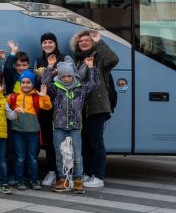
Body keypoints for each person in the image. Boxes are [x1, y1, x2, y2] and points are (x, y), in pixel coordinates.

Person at [42, 55, 99, 193]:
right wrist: (50, 67)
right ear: (59, 77)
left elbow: (94, 83)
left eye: (69, 76)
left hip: (75, 127)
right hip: (59, 127)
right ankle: (63, 179)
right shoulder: (55, 88)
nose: (66, 79)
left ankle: (78, 179)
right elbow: (45, 83)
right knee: (59, 154)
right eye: (63, 76)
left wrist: (91, 67)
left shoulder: (81, 88)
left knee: (77, 155)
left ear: (73, 75)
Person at [71, 29, 119, 189]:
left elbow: (113, 60)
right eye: (81, 40)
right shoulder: (76, 60)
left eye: (87, 40)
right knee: (84, 142)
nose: (83, 42)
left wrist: (99, 41)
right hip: (81, 109)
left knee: (96, 143)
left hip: (97, 107)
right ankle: (87, 173)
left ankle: (98, 176)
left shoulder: (99, 58)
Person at [8, 70, 52, 190]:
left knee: (32, 158)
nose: (26, 85)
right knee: (20, 157)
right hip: (18, 132)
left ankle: (34, 180)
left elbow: (48, 107)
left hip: (33, 132)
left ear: (33, 84)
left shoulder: (37, 97)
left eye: (28, 82)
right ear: (20, 83)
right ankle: (19, 180)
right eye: (23, 82)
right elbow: (4, 106)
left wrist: (45, 96)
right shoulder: (13, 97)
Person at [34, 32, 63, 187]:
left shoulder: (65, 58)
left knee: (62, 140)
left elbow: (70, 77)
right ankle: (52, 171)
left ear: (56, 43)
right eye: (44, 42)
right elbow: (38, 81)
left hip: (62, 107)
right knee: (49, 140)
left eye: (50, 42)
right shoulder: (38, 61)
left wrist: (53, 71)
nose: (47, 45)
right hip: (46, 106)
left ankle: (64, 173)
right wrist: (49, 71)